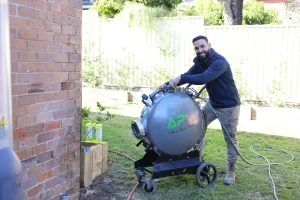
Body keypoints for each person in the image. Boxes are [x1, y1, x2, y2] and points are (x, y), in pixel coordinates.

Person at [159, 35, 241, 185]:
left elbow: (204, 78)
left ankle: (231, 170)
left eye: (202, 46)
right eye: (196, 48)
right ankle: (197, 160)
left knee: (230, 139)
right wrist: (168, 83)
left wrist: (181, 77)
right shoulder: (200, 62)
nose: (200, 50)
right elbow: (188, 77)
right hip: (213, 103)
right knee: (196, 128)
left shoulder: (219, 62)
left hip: (229, 106)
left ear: (209, 45)